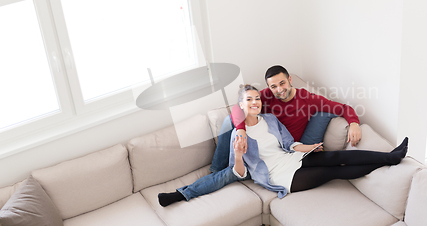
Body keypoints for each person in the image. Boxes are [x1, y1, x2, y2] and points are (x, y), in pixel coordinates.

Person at [158, 65, 363, 207]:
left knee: (230, 173)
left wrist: (353, 121)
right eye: (273, 86)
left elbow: (340, 107)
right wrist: (240, 129)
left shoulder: (307, 98)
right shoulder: (265, 96)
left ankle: (189, 189)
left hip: (289, 147)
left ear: (290, 80)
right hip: (267, 147)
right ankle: (204, 177)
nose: (279, 90)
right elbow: (238, 109)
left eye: (282, 84)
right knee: (230, 124)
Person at [230, 85, 408, 197]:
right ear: (240, 105)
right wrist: (238, 156)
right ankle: (388, 160)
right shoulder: (237, 135)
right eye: (249, 99)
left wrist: (310, 147)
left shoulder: (269, 119)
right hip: (279, 176)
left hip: (291, 158)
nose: (255, 102)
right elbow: (239, 173)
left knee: (335, 157)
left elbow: (288, 144)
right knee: (333, 172)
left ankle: (390, 157)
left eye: (257, 98)